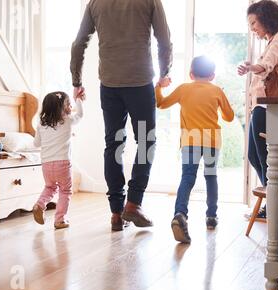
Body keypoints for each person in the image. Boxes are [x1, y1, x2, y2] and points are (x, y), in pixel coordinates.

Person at [70, 0, 173, 232]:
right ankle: (134, 203)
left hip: (110, 85)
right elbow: (164, 41)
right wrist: (164, 72)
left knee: (114, 144)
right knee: (146, 142)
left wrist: (76, 81)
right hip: (140, 84)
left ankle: (116, 213)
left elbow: (78, 44)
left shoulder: (95, 3)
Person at [155, 56, 234, 244]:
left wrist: (158, 86)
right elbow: (229, 117)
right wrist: (221, 101)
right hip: (212, 141)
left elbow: (161, 103)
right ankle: (211, 216)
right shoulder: (216, 91)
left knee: (187, 178)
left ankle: (180, 213)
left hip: (190, 141)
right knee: (211, 176)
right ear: (212, 75)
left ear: (191, 74)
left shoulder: (184, 89)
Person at [237, 0, 278, 219]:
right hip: (261, 108)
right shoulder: (272, 41)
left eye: (254, 23)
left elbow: (267, 65)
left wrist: (252, 67)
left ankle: (273, 202)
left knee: (264, 157)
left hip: (266, 108)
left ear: (266, 19)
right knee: (255, 156)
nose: (252, 28)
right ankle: (272, 200)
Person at [32, 91, 85, 229]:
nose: (70, 106)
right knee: (65, 191)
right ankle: (60, 219)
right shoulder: (67, 120)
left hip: (46, 164)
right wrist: (78, 100)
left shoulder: (41, 125)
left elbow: (36, 144)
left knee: (50, 187)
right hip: (63, 163)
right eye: (68, 104)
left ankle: (40, 205)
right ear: (61, 108)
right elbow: (80, 115)